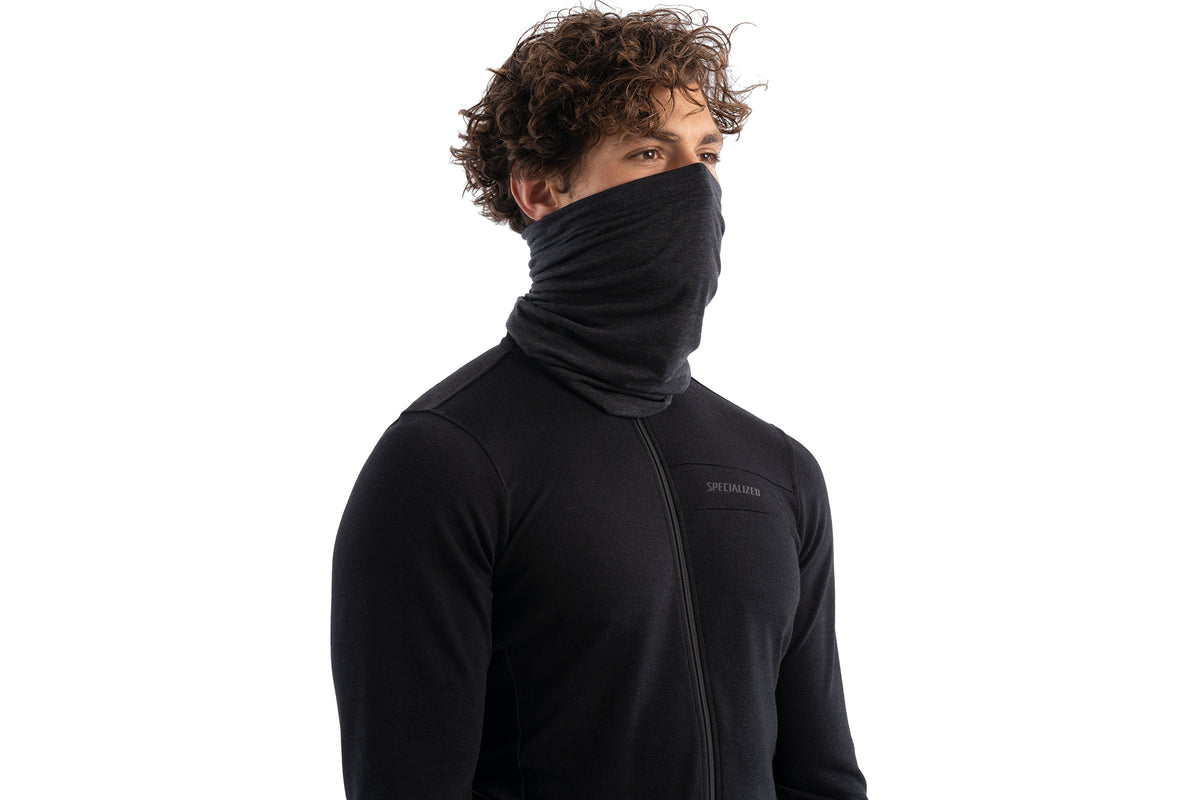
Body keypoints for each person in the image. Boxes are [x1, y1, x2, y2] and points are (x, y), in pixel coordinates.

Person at [331, 7, 868, 799]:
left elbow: (820, 778)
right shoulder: (446, 462)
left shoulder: (777, 468)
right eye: (649, 152)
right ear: (540, 189)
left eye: (706, 154)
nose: (694, 186)